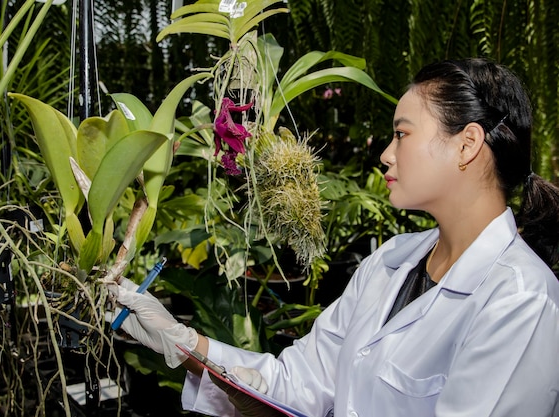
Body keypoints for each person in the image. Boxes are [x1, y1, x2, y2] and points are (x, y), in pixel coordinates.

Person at [108, 58, 559, 417]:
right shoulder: (390, 262)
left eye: (402, 134)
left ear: (467, 144)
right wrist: (177, 339)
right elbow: (297, 384)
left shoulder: (521, 300)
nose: (386, 154)